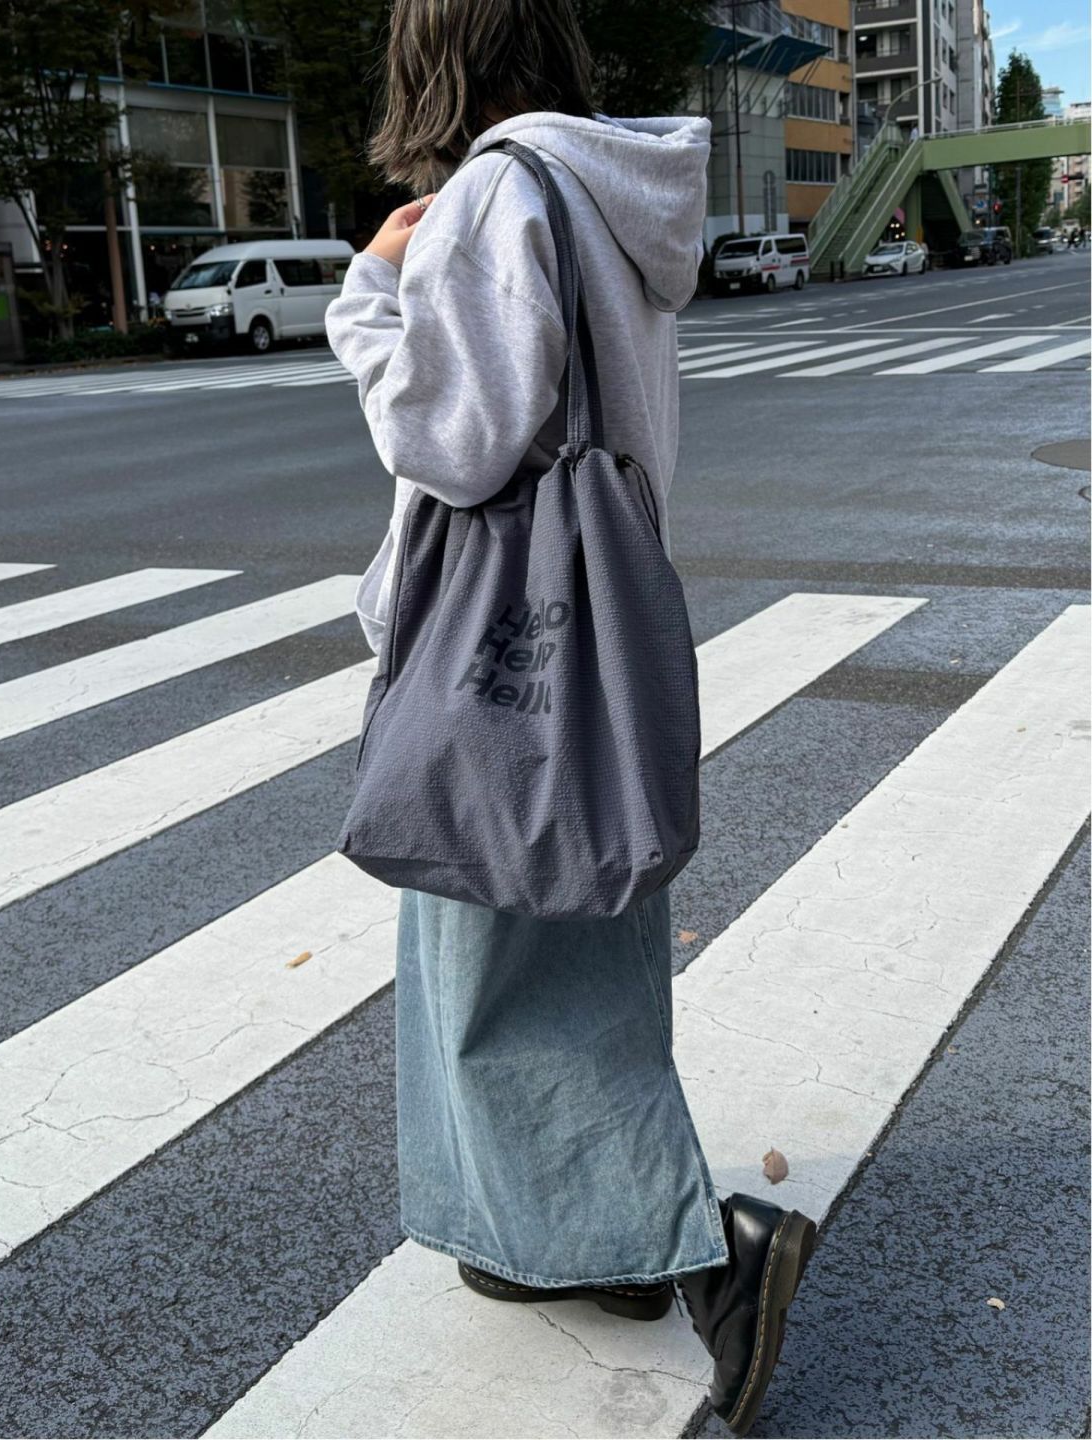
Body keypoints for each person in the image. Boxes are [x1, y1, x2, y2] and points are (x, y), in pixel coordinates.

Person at [323, 2, 816, 1434]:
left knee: (491, 974)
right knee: (583, 948)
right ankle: (575, 1248)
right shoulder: (614, 193)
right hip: (594, 632)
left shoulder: (497, 193)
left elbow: (452, 438)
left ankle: (710, 1253)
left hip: (505, 657)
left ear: (439, 58)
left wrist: (371, 293)